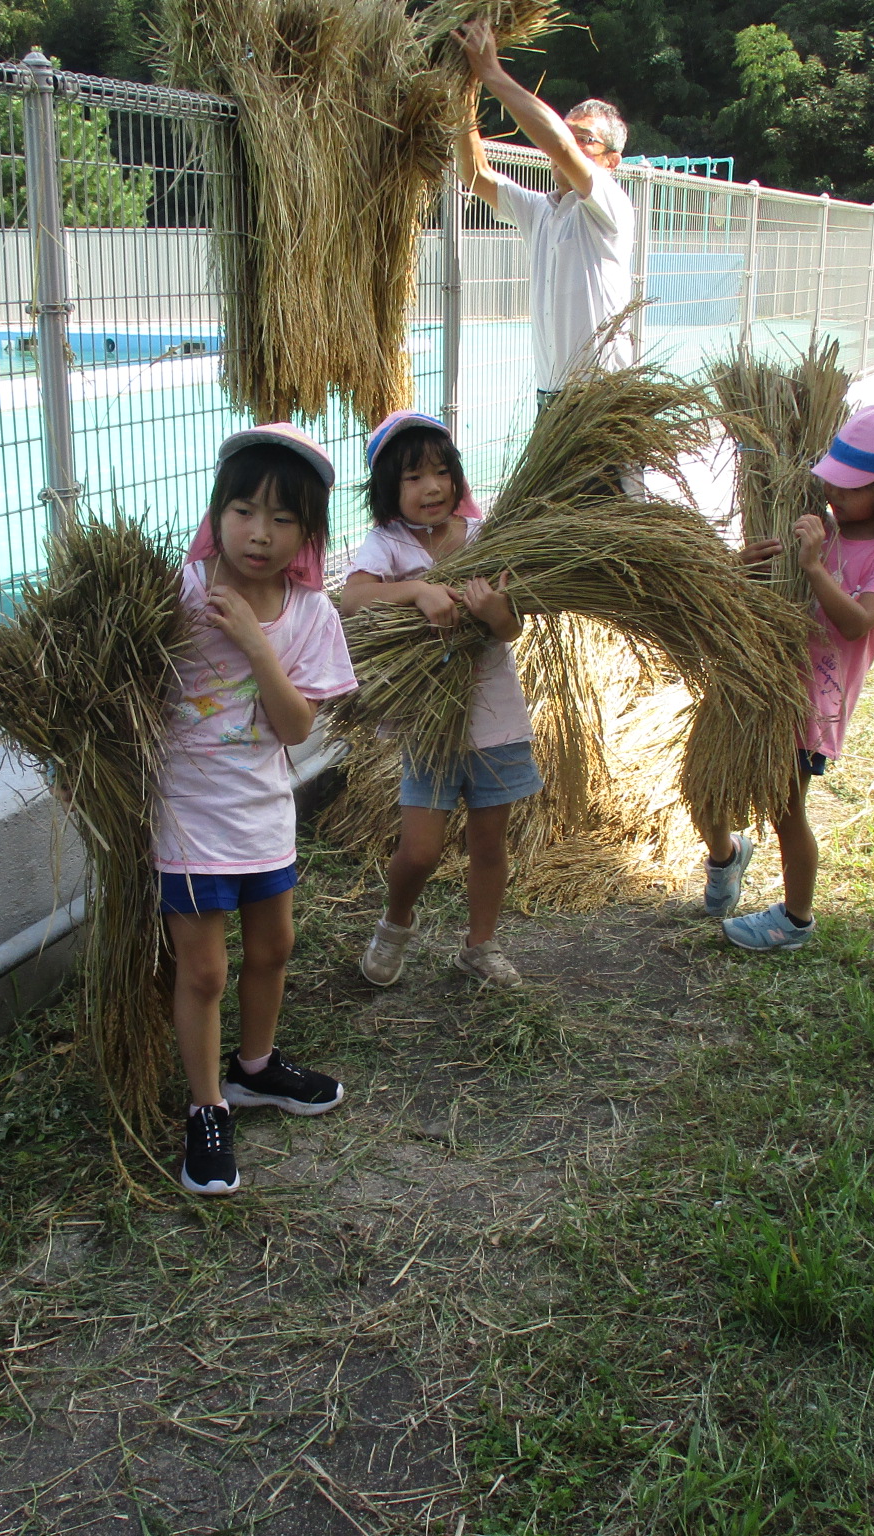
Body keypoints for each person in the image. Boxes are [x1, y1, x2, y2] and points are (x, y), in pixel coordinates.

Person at [157, 424, 357, 1196]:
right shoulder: (177, 593)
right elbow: (121, 690)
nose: (259, 534)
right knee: (203, 970)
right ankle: (206, 1107)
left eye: (282, 520)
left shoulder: (310, 615)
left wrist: (254, 643)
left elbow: (297, 727)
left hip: (263, 815)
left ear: (308, 533)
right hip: (186, 819)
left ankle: (255, 1067)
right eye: (243, 511)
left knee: (274, 947)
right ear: (218, 512)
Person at [704, 405, 874, 951]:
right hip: (753, 682)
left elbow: (855, 624)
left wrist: (813, 567)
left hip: (810, 703)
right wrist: (745, 567)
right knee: (708, 788)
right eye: (834, 483)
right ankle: (726, 857)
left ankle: (795, 919)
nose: (835, 494)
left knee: (785, 808)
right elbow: (764, 594)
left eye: (851, 489)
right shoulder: (819, 528)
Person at [340, 411, 540, 990]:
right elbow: (353, 599)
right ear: (386, 491)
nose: (430, 487)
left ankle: (480, 946)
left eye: (440, 472)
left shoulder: (483, 540)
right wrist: (422, 589)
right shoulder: (388, 545)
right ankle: (395, 922)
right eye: (411, 478)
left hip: (495, 717)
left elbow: (510, 629)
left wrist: (496, 614)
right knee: (421, 851)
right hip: (428, 724)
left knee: (489, 843)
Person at [453, 19, 635, 408]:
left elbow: (562, 149)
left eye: (584, 138)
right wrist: (466, 88)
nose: (568, 144)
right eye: (566, 131)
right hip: (550, 399)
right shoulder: (540, 211)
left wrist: (492, 73)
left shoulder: (610, 205)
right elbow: (476, 174)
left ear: (612, 161)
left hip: (601, 401)